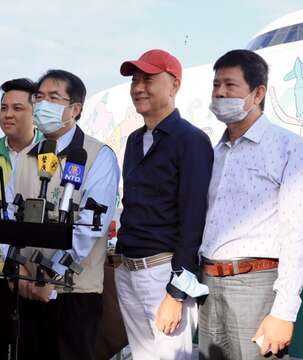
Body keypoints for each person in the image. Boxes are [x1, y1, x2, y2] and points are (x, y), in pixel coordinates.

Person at [5, 69, 120, 360]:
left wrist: (51, 275)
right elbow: (7, 216)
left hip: (74, 292)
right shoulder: (28, 155)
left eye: (54, 98)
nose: (43, 104)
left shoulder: (98, 156)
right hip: (28, 287)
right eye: (39, 97)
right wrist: (19, 267)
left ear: (75, 109)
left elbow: (90, 227)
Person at [198, 49, 303, 360]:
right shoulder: (213, 153)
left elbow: (296, 232)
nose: (219, 93)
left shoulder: (288, 148)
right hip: (208, 286)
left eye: (230, 86)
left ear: (258, 93)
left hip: (256, 286)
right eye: (216, 85)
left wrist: (284, 312)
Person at [114, 49, 213, 360]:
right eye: (134, 80)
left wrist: (176, 291)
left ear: (174, 85)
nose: (138, 87)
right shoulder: (133, 140)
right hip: (128, 271)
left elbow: (195, 218)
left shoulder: (191, 140)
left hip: (164, 275)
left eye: (148, 79)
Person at [0, 78, 41, 360]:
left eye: (17, 108)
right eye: (3, 108)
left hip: (34, 272)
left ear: (35, 112)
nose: (8, 114)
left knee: (32, 345)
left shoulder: (50, 152)